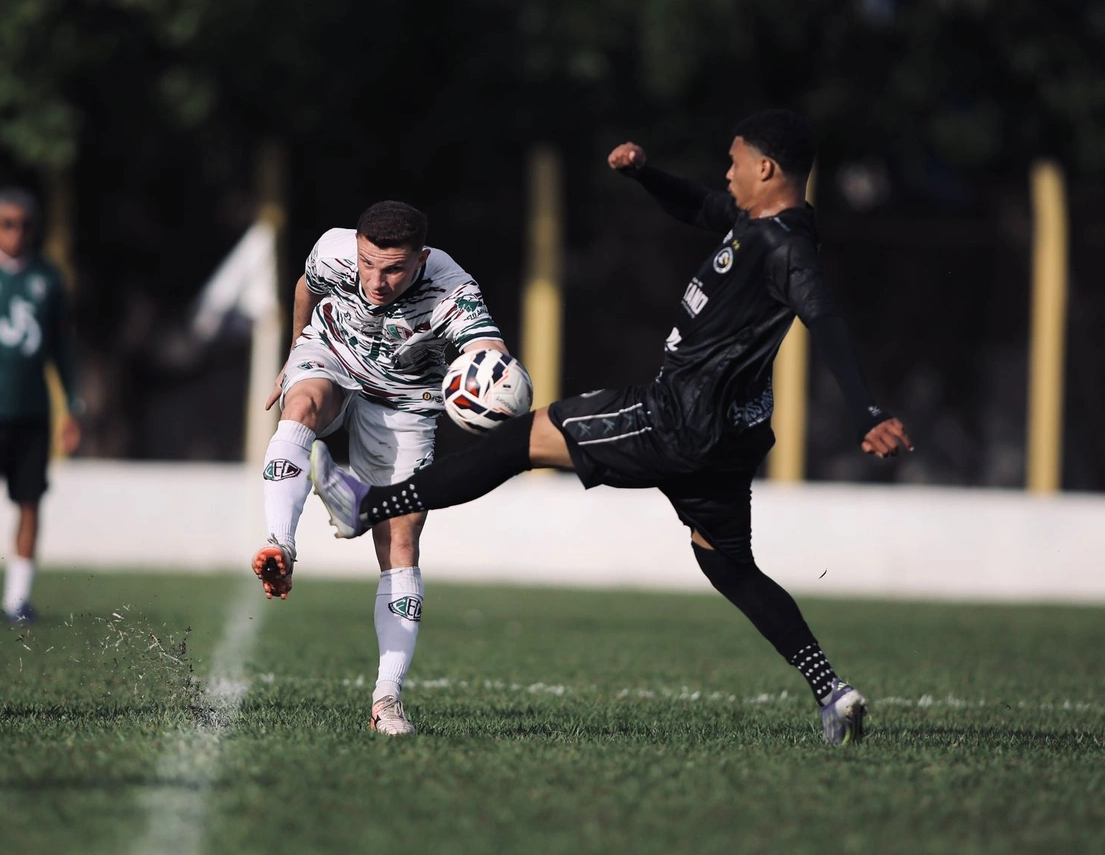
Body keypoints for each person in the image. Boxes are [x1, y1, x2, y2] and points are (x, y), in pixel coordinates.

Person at [309, 111, 913, 745]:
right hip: (727, 436)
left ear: (767, 169)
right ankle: (831, 692)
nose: (727, 172)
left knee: (520, 440)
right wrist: (646, 173)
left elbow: (827, 319)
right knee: (729, 566)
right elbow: (700, 205)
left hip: (676, 416)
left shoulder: (786, 248)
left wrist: (868, 410)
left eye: (736, 161)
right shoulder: (758, 222)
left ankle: (367, 505)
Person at [252, 200, 511, 736]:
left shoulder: (454, 291)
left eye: (393, 268)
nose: (375, 280)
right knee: (299, 406)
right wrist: (294, 352)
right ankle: (281, 543)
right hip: (334, 354)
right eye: (368, 263)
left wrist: (498, 379)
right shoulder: (333, 249)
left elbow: (485, 347)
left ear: (421, 259)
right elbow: (307, 287)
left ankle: (386, 700)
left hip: (408, 397)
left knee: (402, 539)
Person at [0, 187, 82, 626]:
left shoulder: (48, 276)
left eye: (25, 224)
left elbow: (62, 348)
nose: (17, 232)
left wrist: (72, 405)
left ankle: (16, 600)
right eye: (7, 223)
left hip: (30, 412)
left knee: (29, 502)